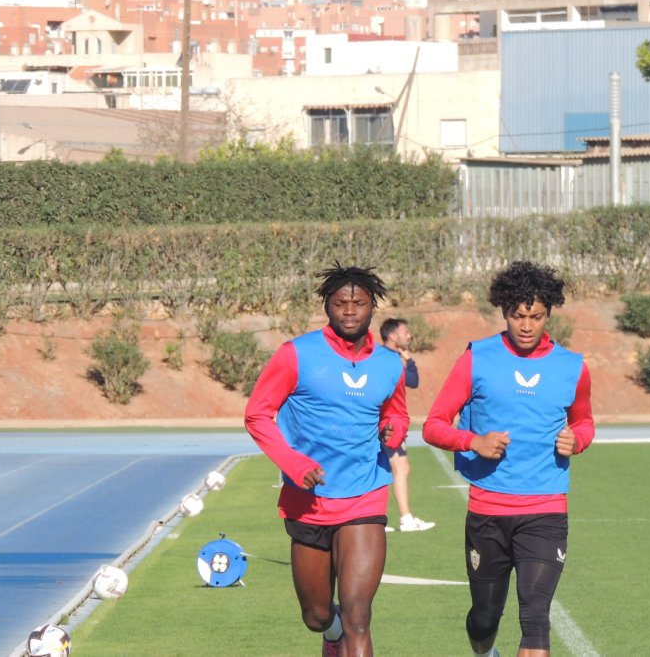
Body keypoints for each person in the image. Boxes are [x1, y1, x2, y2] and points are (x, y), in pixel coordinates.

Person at [423, 260, 595, 657]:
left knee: (535, 615)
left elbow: (584, 422)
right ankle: (485, 652)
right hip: (488, 511)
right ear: (504, 312)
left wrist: (578, 440)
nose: (526, 325)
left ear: (549, 313)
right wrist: (472, 442)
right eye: (517, 316)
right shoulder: (477, 358)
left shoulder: (572, 367)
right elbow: (433, 425)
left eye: (535, 316)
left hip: (545, 510)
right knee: (485, 617)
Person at [246, 264, 409, 657]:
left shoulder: (389, 364)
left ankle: (345, 631)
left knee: (358, 615)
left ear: (373, 308)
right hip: (309, 503)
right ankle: (329, 632)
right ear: (327, 307)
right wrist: (295, 465)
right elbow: (257, 415)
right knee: (318, 615)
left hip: (364, 494)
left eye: (359, 303)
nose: (349, 311)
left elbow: (397, 413)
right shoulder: (296, 354)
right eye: (340, 304)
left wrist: (395, 430)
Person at [378, 318, 435, 533]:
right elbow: (409, 381)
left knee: (393, 468)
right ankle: (404, 519)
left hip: (393, 420)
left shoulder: (393, 357)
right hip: (389, 421)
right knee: (400, 467)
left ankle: (387, 518)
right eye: (406, 331)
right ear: (393, 336)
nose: (409, 335)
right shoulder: (386, 359)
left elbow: (411, 381)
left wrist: (408, 359)